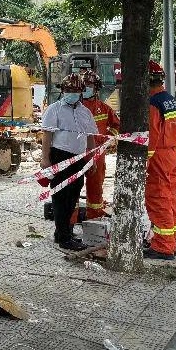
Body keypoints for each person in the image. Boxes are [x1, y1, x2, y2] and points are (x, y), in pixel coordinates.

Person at [40, 73, 98, 251]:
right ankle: (64, 237)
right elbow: (47, 135)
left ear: (81, 92)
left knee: (73, 197)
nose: (71, 93)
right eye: (68, 90)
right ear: (63, 91)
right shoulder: (54, 109)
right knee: (60, 198)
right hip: (60, 157)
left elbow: (91, 138)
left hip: (79, 160)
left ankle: (63, 233)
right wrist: (45, 158)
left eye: (75, 90)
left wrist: (92, 159)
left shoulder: (85, 112)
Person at [146, 60, 176, 260]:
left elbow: (152, 136)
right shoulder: (173, 100)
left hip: (158, 156)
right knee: (171, 198)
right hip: (173, 155)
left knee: (158, 198)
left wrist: (145, 161)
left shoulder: (154, 103)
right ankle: (170, 241)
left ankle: (162, 247)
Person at [78, 70, 120, 220]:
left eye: (89, 85)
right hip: (76, 151)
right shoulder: (74, 107)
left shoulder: (103, 108)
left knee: (95, 187)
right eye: (84, 85)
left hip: (97, 152)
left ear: (96, 87)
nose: (86, 88)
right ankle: (69, 223)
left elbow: (116, 124)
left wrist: (108, 138)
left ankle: (94, 218)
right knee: (73, 189)